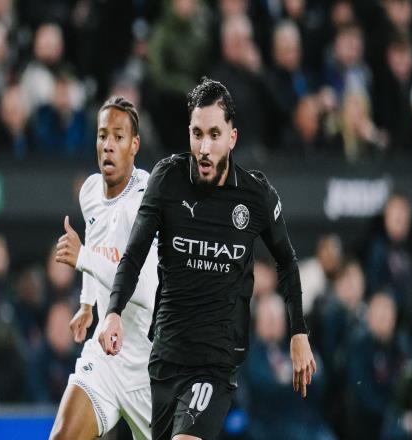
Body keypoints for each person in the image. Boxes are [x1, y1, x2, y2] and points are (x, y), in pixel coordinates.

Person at [100, 77, 317, 440]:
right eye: (197, 133)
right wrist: (113, 311)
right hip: (165, 356)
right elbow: (134, 252)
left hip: (215, 364)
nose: (204, 147)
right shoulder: (167, 179)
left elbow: (287, 261)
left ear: (232, 137)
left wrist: (298, 332)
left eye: (214, 134)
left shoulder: (255, 196)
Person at [49, 96, 158, 439]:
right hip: (105, 356)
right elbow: (97, 241)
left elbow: (145, 290)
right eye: (102, 135)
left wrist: (82, 258)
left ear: (134, 145)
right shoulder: (91, 191)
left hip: (148, 368)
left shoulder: (146, 201)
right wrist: (86, 303)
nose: (108, 145)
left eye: (118, 137)